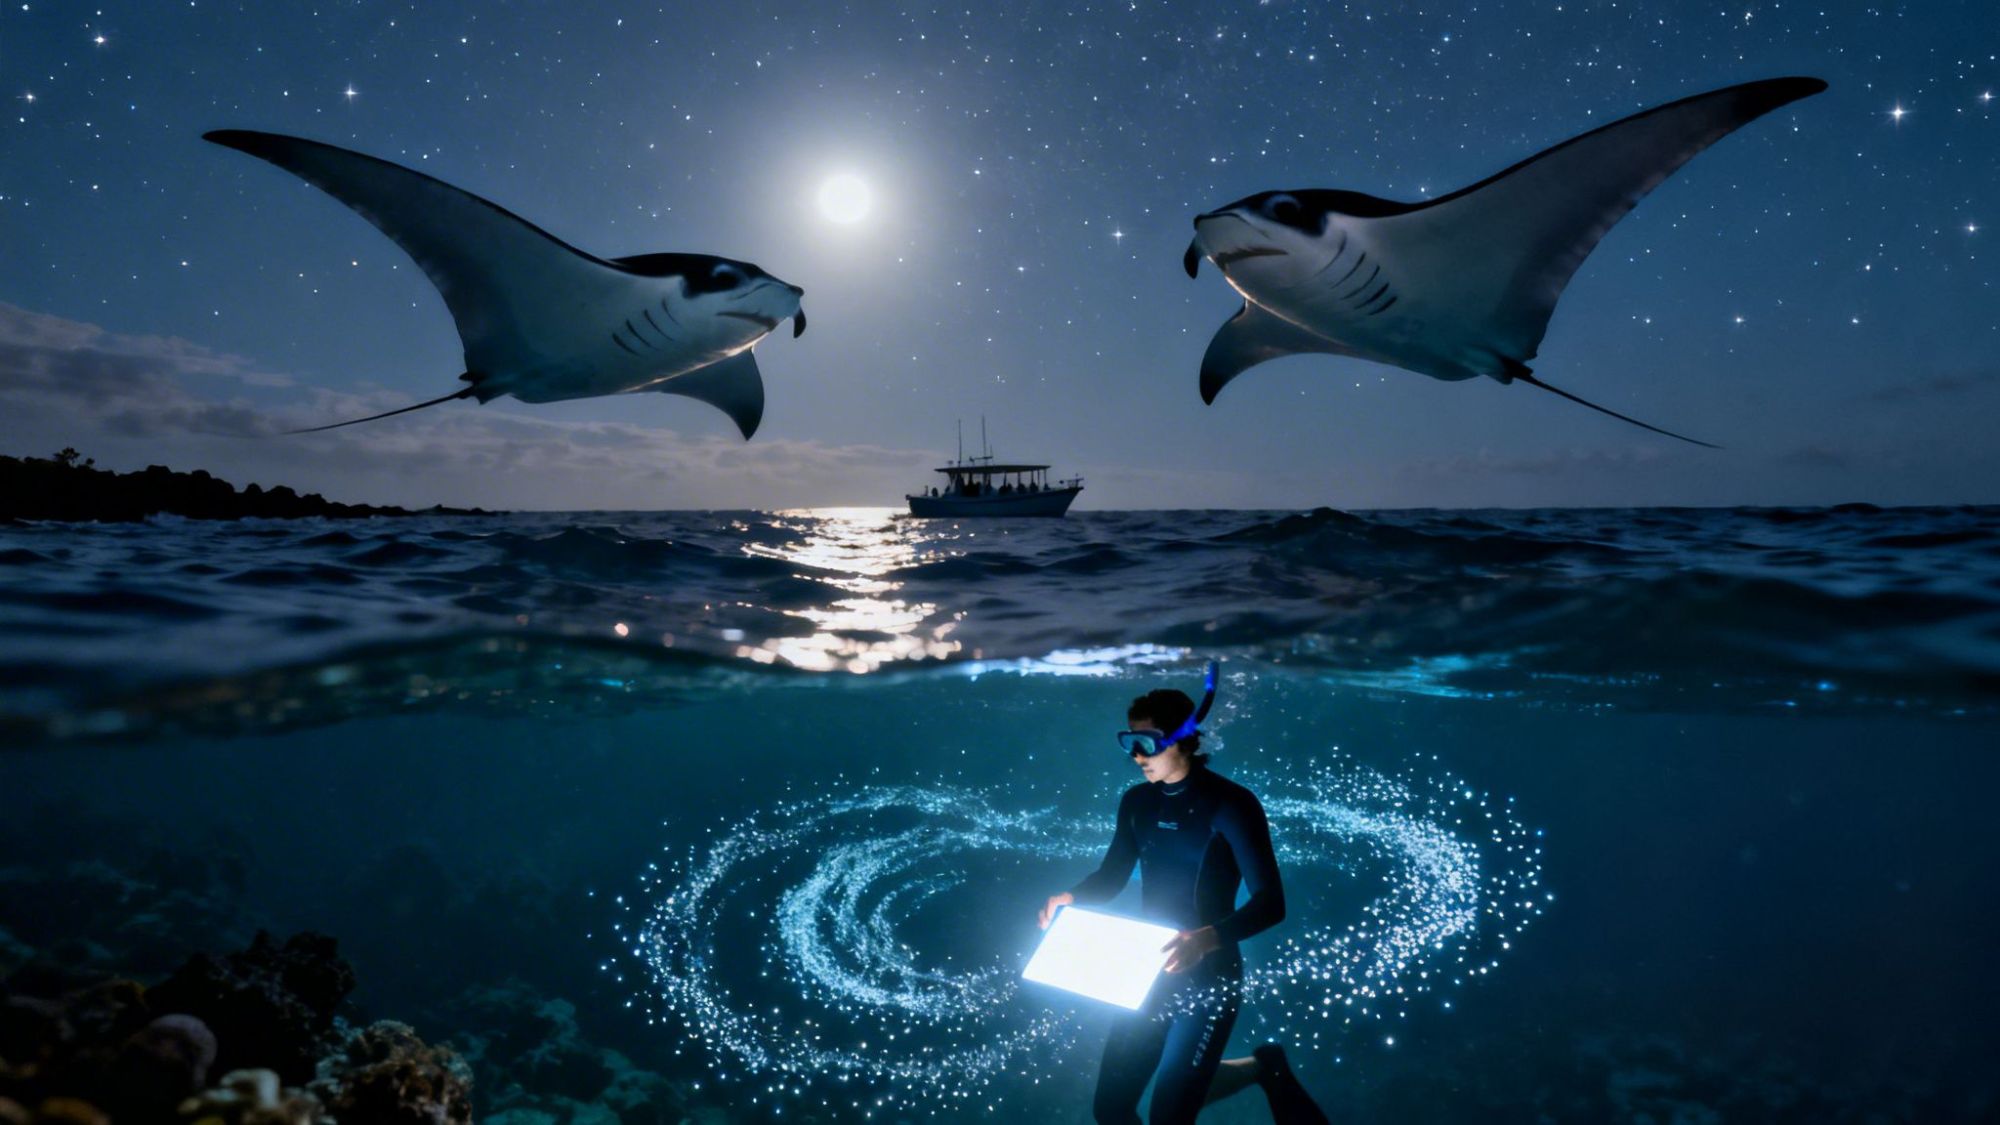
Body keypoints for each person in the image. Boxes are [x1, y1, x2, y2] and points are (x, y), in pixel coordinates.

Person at [1039, 666, 1331, 1124]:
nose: (1137, 754)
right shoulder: (1137, 803)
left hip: (1210, 980)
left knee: (1169, 1117)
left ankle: (1260, 1069)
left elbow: (1271, 902)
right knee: (1112, 1110)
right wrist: (1071, 897)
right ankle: (1261, 1068)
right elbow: (1113, 876)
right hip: (1144, 971)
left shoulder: (1231, 805)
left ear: (1185, 738)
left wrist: (1205, 939)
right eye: (1128, 741)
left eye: (1148, 741)